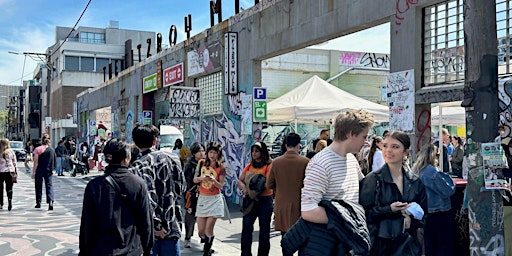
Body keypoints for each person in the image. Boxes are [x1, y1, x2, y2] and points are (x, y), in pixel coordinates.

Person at [287, 109, 374, 255]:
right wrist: (345, 219)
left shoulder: (351, 159)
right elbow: (308, 211)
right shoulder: (321, 164)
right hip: (328, 246)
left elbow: (362, 190)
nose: (366, 142)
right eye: (364, 136)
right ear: (350, 134)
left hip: (347, 244)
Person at [79, 138, 154, 256]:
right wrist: (147, 248)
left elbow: (87, 224)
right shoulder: (138, 184)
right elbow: (145, 221)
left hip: (101, 250)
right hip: (131, 249)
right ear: (127, 158)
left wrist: (84, 251)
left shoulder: (94, 186)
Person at [359, 131, 428, 256]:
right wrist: (389, 209)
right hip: (380, 247)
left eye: (395, 147)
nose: (388, 150)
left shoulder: (415, 181)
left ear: (405, 152)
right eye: (385, 146)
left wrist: (412, 221)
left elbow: (425, 215)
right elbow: (363, 214)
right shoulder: (372, 180)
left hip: (408, 247)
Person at [131, 124, 186, 256]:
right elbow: (182, 188)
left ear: (135, 143)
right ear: (155, 141)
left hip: (150, 230)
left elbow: (147, 198)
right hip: (172, 225)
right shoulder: (173, 159)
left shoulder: (138, 166)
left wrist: (156, 226)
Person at [412, 144, 455, 256]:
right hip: (439, 212)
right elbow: (448, 190)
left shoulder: (416, 170)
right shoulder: (431, 172)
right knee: (442, 246)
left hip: (425, 212)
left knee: (429, 246)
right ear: (433, 156)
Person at [266, 132, 309, 236]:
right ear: (299, 145)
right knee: (301, 238)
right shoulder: (306, 162)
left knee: (285, 238)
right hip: (301, 205)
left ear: (285, 146)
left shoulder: (276, 162)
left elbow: (269, 184)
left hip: (281, 205)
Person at [237, 141, 273, 256]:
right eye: (253, 151)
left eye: (257, 151)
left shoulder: (269, 165)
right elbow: (239, 180)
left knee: (264, 231)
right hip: (250, 200)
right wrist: (244, 187)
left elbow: (268, 183)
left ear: (263, 152)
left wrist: (255, 186)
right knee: (246, 228)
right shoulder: (249, 165)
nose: (254, 153)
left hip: (264, 200)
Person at [193, 142, 226, 256]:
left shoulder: (221, 167)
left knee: (208, 229)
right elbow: (195, 179)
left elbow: (221, 186)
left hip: (215, 199)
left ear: (218, 154)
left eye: (215, 153)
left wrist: (213, 181)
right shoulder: (201, 163)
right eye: (210, 152)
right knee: (201, 231)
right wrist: (202, 178)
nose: (212, 155)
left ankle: (207, 251)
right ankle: (207, 243)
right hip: (202, 198)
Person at [183, 142, 205, 248]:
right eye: (199, 151)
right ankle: (188, 237)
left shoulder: (206, 164)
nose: (201, 153)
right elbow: (186, 182)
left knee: (204, 217)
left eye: (202, 151)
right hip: (192, 195)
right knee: (190, 217)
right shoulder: (189, 165)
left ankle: (205, 239)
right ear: (194, 153)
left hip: (205, 194)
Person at [32, 134, 56, 210]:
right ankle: (50, 201)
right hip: (48, 170)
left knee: (38, 186)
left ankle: (38, 202)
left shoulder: (38, 149)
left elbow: (35, 162)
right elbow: (54, 160)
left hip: (39, 169)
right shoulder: (52, 150)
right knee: (49, 185)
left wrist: (33, 172)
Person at [0, 138, 17, 211]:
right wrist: (16, 172)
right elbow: (14, 162)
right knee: (9, 188)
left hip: (0, 172)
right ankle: (10, 202)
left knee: (0, 188)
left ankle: (1, 203)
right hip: (10, 172)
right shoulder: (11, 151)